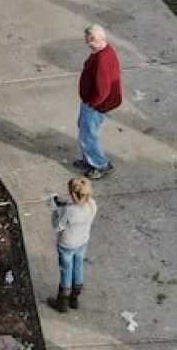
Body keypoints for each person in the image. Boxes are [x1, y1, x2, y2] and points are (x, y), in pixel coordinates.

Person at [76, 24, 122, 179]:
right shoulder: (106, 51)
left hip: (96, 105)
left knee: (88, 135)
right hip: (96, 103)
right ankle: (89, 160)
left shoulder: (101, 59)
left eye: (90, 41)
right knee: (85, 131)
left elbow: (103, 89)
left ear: (97, 40)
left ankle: (100, 165)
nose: (87, 43)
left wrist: (93, 104)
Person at [49, 177, 97, 312]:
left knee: (66, 270)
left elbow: (57, 226)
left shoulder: (70, 211)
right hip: (82, 240)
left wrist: (54, 209)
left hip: (67, 243)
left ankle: (62, 301)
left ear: (72, 194)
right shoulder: (92, 204)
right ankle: (74, 298)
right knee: (79, 266)